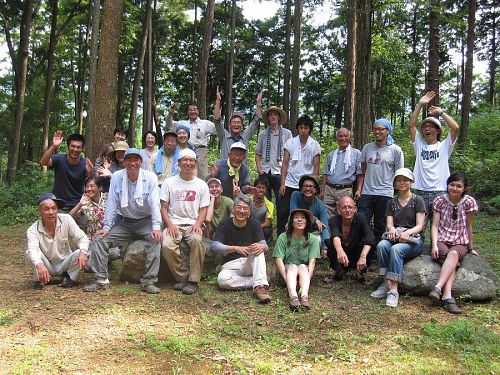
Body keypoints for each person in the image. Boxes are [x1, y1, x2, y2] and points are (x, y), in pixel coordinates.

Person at [83, 148, 162, 294]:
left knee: (156, 240)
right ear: (124, 162)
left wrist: (156, 227)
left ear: (141, 161)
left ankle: (149, 281)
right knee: (100, 239)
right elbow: (112, 203)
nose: (132, 163)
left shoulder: (150, 177)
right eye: (129, 160)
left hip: (146, 221)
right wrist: (107, 227)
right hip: (125, 223)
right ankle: (101, 279)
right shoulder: (118, 177)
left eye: (136, 159)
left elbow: (154, 203)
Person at [370, 168, 426, 308]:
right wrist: (392, 229)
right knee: (382, 246)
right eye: (399, 180)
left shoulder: (418, 200)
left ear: (411, 182)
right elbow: (389, 224)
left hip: (414, 239)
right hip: (396, 236)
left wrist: (408, 233)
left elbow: (420, 225)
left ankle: (394, 290)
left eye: (405, 180)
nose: (402, 182)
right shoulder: (391, 202)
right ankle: (386, 283)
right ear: (395, 183)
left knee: (396, 249)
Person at [160, 149, 210, 295]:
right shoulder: (169, 182)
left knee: (196, 241)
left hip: (192, 223)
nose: (188, 163)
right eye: (185, 160)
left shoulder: (201, 185)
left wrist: (198, 224)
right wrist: (169, 224)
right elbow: (163, 208)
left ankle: (193, 281)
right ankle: (182, 277)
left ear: (195, 163)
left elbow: (204, 209)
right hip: (173, 223)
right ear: (179, 163)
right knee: (167, 246)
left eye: (191, 160)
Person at [429, 173, 479, 314]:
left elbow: (468, 226)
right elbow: (435, 226)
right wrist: (433, 244)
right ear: (447, 185)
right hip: (441, 239)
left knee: (454, 254)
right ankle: (448, 297)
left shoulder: (469, 202)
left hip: (459, 241)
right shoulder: (440, 200)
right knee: (452, 260)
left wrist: (470, 248)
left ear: (464, 188)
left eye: (459, 186)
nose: (455, 188)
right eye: (452, 184)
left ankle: (438, 287)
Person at [409, 91, 459, 230]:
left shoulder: (444, 146)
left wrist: (441, 112)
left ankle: (437, 250)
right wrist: (419, 104)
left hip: (440, 192)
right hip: (421, 192)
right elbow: (412, 126)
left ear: (438, 131)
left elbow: (455, 128)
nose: (426, 129)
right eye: (424, 127)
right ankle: (417, 250)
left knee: (440, 228)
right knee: (418, 229)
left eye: (430, 126)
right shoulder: (419, 145)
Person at [212, 195, 272, 304]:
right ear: (234, 209)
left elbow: (264, 245)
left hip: (248, 263)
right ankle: (260, 281)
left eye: (245, 208)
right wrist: (235, 248)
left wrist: (263, 247)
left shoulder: (255, 224)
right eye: (239, 207)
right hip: (230, 266)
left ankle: (260, 288)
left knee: (258, 249)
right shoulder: (224, 224)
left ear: (249, 211)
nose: (242, 211)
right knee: (222, 281)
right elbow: (215, 245)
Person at [26, 193, 89, 289]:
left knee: (81, 251)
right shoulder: (32, 230)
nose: (51, 212)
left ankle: (70, 278)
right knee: (29, 253)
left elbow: (82, 238)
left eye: (54, 208)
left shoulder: (66, 219)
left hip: (65, 263)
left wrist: (83, 252)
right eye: (46, 209)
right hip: (47, 264)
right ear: (40, 211)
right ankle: (40, 279)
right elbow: (33, 249)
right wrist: (39, 264)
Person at [355, 119, 404, 242]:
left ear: (388, 131)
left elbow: (399, 174)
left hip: (385, 193)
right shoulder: (367, 148)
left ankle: (378, 252)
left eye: (381, 129)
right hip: (367, 192)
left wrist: (399, 193)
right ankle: (364, 250)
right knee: (361, 222)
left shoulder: (395, 150)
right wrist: (359, 189)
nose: (377, 132)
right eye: (375, 129)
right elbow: (363, 171)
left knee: (381, 225)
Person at [278, 115, 321, 235]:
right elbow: (285, 163)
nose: (303, 130)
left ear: (310, 129)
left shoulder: (315, 145)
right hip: (290, 182)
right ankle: (282, 236)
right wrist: (282, 183)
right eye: (301, 127)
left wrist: (313, 186)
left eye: (306, 128)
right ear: (297, 128)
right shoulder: (290, 143)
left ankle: (304, 235)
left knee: (304, 212)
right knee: (284, 211)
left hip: (305, 185)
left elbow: (316, 166)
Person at [273, 208, 320, 310]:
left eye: (303, 218)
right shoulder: (283, 237)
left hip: (304, 275)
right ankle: (293, 297)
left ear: (307, 222)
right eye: (296, 217)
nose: (300, 220)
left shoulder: (313, 239)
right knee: (293, 266)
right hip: (286, 273)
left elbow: (312, 262)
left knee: (303, 266)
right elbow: (278, 259)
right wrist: (286, 279)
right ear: (291, 221)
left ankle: (304, 296)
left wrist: (307, 279)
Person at [39, 131, 93, 212]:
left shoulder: (85, 163)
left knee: (87, 221)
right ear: (68, 146)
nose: (75, 149)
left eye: (78, 147)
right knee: (61, 223)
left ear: (82, 149)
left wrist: (90, 172)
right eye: (73, 146)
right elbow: (43, 162)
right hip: (59, 204)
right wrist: (54, 146)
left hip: (78, 205)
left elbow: (89, 185)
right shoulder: (59, 159)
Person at [255, 105, 293, 219]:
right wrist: (260, 170)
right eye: (270, 115)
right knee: (263, 203)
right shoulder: (262, 134)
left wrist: (287, 172)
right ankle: (265, 231)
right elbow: (257, 153)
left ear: (279, 117)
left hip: (280, 173)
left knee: (281, 204)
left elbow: (291, 154)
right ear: (268, 118)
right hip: (265, 172)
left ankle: (281, 232)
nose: (273, 117)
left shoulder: (287, 134)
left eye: (275, 114)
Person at [327, 196, 376, 282]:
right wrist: (339, 251)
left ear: (355, 209)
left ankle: (360, 272)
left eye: (350, 207)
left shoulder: (361, 218)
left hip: (356, 253)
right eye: (344, 207)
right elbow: (335, 235)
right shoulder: (333, 220)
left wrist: (363, 256)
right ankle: (338, 270)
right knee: (330, 243)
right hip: (342, 255)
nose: (347, 210)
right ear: (338, 210)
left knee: (369, 245)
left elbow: (370, 237)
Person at [166, 102, 216, 178]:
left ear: (198, 111)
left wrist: (217, 117)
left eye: (195, 110)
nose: (193, 112)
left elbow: (217, 130)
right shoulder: (182, 123)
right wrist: (170, 114)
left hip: (201, 152)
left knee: (202, 175)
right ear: (187, 112)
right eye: (190, 110)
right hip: (185, 150)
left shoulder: (205, 123)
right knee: (184, 173)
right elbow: (169, 125)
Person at [320, 128, 362, 217]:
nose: (343, 138)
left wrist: (358, 190)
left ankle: (342, 231)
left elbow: (360, 174)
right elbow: (325, 174)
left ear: (350, 138)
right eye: (340, 136)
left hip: (345, 189)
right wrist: (323, 190)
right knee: (327, 215)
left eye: (346, 136)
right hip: (329, 189)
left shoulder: (356, 153)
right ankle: (329, 231)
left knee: (344, 214)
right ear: (336, 139)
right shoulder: (331, 155)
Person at [213, 86, 263, 160]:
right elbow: (217, 120)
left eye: (239, 122)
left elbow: (256, 120)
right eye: (234, 122)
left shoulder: (245, 136)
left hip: (242, 170)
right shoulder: (224, 136)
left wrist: (259, 104)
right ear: (229, 125)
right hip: (226, 170)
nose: (236, 124)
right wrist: (218, 100)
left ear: (242, 125)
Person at [290, 175, 330, 256]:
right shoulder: (295, 195)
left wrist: (325, 247)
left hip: (312, 232)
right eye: (305, 186)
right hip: (297, 229)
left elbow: (325, 227)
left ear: (315, 190)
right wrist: (315, 219)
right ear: (301, 188)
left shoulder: (321, 206)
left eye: (311, 186)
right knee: (289, 225)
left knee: (318, 240)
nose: (308, 189)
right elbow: (293, 213)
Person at [248, 177, 274, 243]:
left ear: (266, 191)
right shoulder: (248, 200)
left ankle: (264, 244)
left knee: (267, 231)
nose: (261, 190)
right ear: (254, 188)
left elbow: (267, 223)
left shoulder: (269, 205)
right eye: (259, 187)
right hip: (247, 226)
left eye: (263, 188)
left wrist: (255, 228)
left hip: (261, 228)